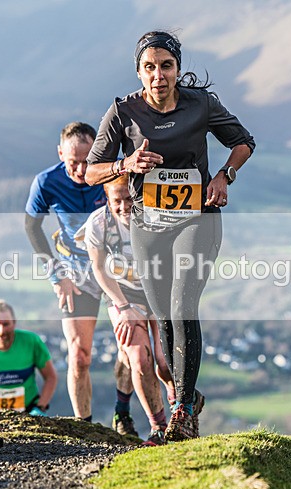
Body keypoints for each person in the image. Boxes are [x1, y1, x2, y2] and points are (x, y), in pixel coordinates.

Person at [85, 31, 254, 441]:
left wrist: (224, 176)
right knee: (163, 316)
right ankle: (188, 398)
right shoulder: (123, 111)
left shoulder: (201, 104)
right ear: (138, 72)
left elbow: (243, 142)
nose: (158, 75)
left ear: (177, 68)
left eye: (166, 66)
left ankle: (182, 410)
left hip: (197, 218)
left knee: (182, 305)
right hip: (148, 225)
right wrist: (125, 164)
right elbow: (90, 172)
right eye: (150, 67)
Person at [25, 122, 134, 429]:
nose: (81, 169)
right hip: (76, 273)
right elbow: (32, 227)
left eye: (88, 160)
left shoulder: (110, 173)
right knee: (80, 355)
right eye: (74, 162)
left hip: (116, 270)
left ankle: (122, 413)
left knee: (128, 348)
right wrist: (56, 275)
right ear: (60, 154)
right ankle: (84, 426)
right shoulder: (47, 182)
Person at [80, 174, 177, 445]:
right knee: (139, 357)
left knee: (165, 361)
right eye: (116, 201)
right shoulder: (98, 223)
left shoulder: (157, 216)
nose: (123, 207)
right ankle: (159, 427)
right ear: (107, 199)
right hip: (123, 293)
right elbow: (99, 268)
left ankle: (181, 407)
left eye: (129, 199)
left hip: (158, 290)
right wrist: (122, 307)